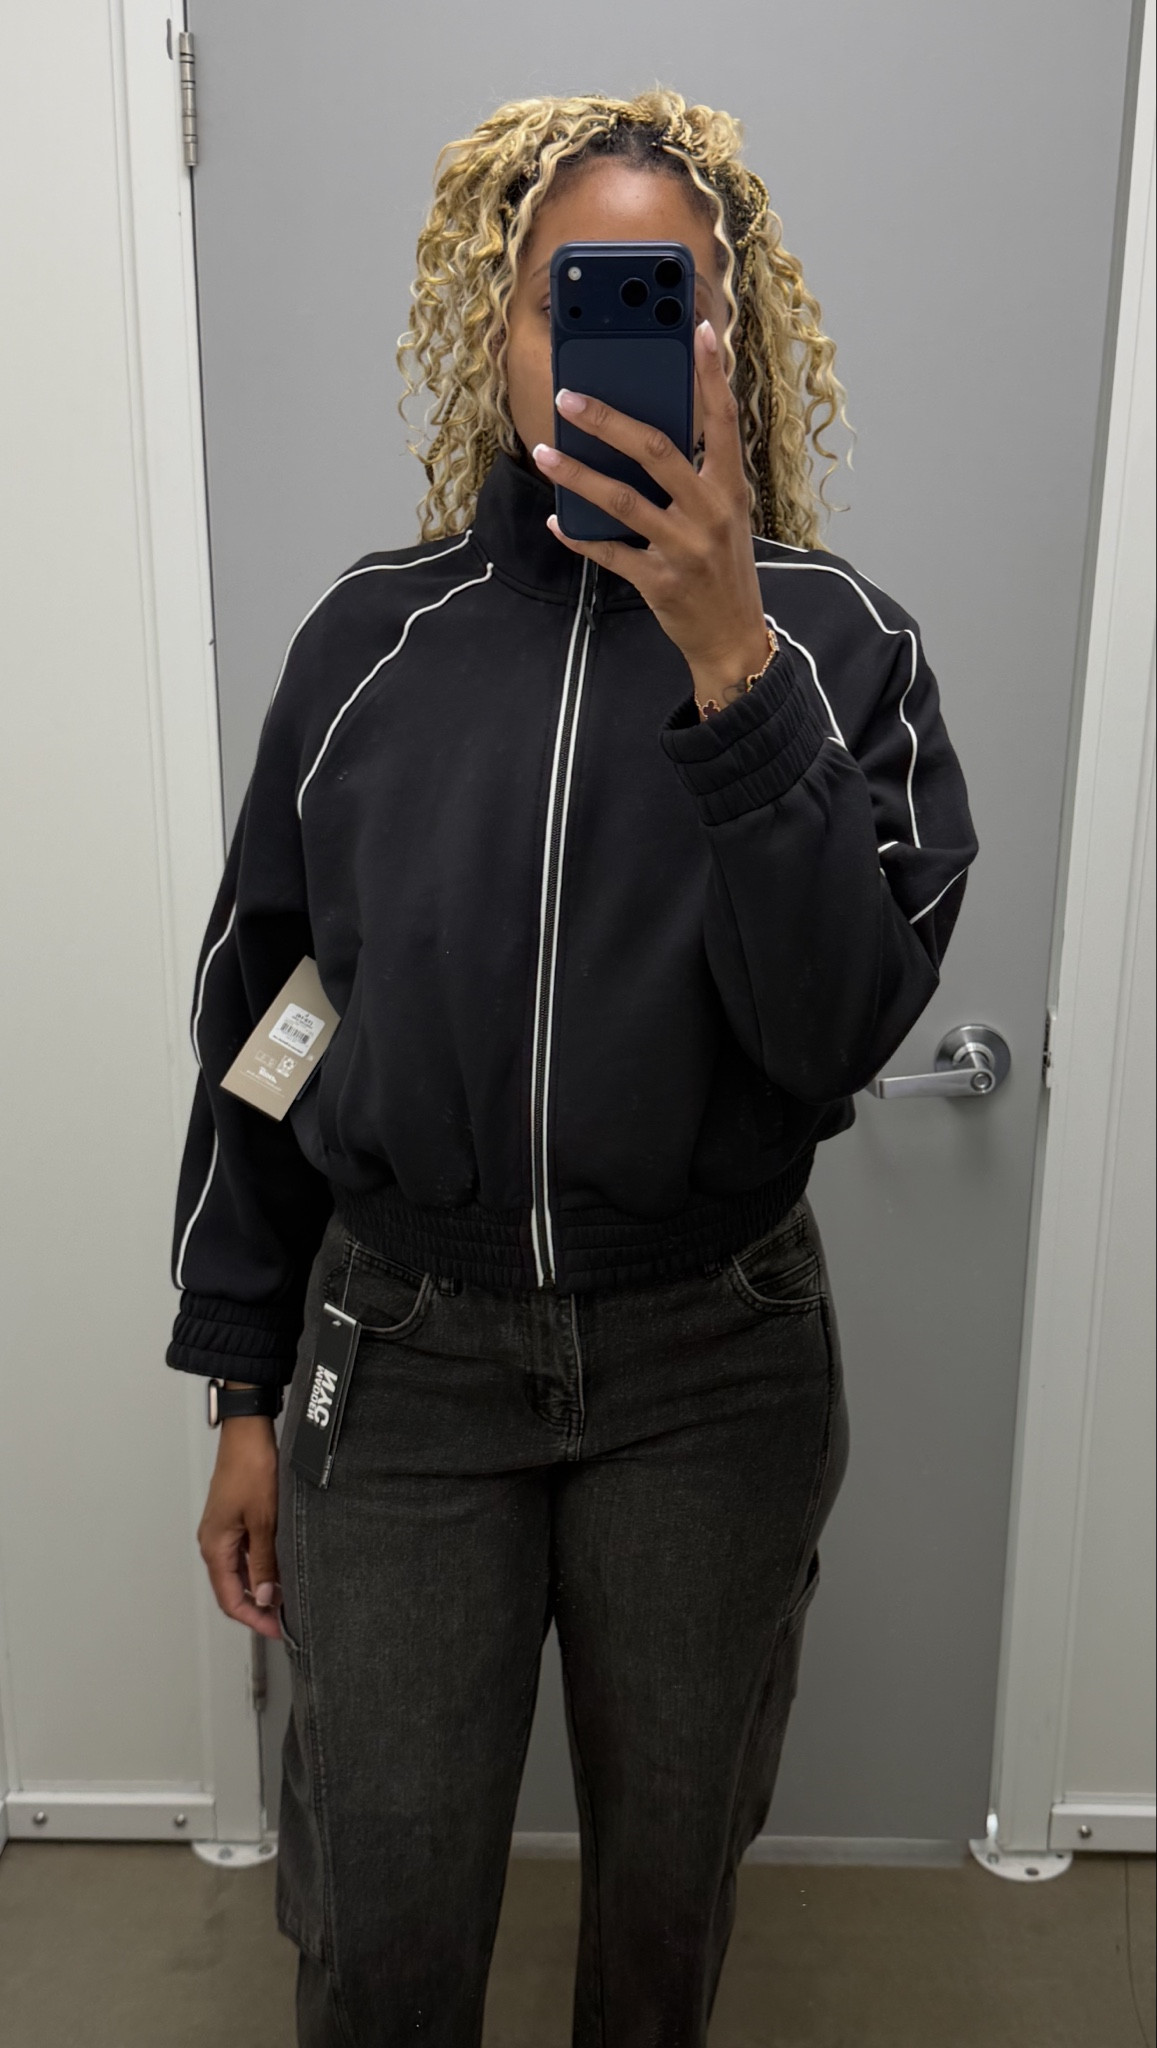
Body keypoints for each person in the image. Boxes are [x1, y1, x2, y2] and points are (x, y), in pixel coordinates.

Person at [166, 87, 978, 2048]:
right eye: (571, 295)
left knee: (662, 1913)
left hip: (710, 1361)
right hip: (402, 1359)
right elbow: (274, 1027)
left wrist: (730, 664)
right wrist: (243, 1385)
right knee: (382, 1918)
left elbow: (830, 1031)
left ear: (728, 339)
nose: (615, 339)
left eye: (666, 298)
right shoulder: (370, 646)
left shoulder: (840, 649)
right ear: (502, 326)